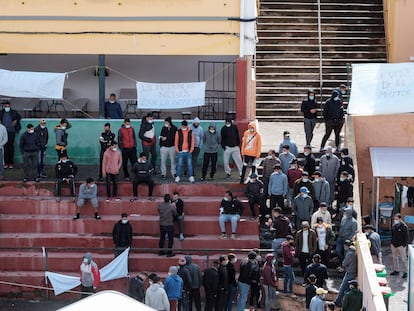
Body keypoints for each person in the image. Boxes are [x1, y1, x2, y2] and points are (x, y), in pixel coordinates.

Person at [320, 84, 347, 151]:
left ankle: (337, 147)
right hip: (330, 121)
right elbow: (325, 112)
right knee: (327, 134)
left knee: (337, 135)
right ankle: (322, 147)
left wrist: (341, 119)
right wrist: (327, 120)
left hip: (338, 121)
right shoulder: (328, 102)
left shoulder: (339, 102)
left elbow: (341, 111)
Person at [334, 240, 357, 307]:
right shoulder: (353, 251)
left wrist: (342, 267)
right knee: (347, 289)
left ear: (345, 246)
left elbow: (344, 263)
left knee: (342, 288)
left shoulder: (350, 253)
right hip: (352, 272)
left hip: (350, 273)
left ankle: (337, 302)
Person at [0, 101, 21, 168]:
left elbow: (19, 117)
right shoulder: (1, 112)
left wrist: (16, 121)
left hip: (11, 131)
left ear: (10, 106)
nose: (7, 107)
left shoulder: (13, 112)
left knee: (11, 147)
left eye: (8, 106)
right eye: (6, 106)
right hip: (3, 132)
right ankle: (6, 163)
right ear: (4, 107)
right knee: (5, 147)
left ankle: (11, 163)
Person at [390, 213, 409, 278]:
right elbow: (392, 234)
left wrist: (404, 245)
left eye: (396, 219)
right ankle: (396, 270)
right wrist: (392, 243)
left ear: (400, 219)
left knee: (404, 259)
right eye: (395, 219)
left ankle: (406, 271)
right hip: (394, 244)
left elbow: (406, 237)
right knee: (395, 258)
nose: (395, 220)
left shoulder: (404, 227)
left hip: (401, 245)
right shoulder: (394, 226)